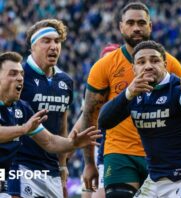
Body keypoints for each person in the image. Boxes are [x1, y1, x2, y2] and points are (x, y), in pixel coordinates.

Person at [79, 2, 181, 197]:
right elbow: (89, 116)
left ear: (150, 26)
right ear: (121, 26)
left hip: (160, 154)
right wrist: (89, 164)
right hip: (120, 153)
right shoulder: (104, 66)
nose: (136, 28)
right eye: (130, 23)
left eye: (141, 23)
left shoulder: (171, 64)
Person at [98, 40, 181, 197]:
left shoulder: (177, 88)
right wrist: (128, 93)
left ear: (165, 64)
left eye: (155, 60)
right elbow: (104, 122)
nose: (148, 66)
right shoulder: (135, 94)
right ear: (133, 69)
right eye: (141, 62)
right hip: (155, 180)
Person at [0, 51, 101, 197]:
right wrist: (23, 129)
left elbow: (49, 141)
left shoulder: (22, 108)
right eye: (13, 74)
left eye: (21, 74)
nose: (20, 78)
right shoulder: (23, 122)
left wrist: (73, 143)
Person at [8, 19, 72, 198]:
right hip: (20, 165)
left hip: (51, 168)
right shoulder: (18, 75)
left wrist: (63, 165)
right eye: (47, 41)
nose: (53, 46)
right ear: (32, 46)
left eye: (57, 41)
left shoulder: (65, 81)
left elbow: (62, 125)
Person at [80, 43, 120, 198]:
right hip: (95, 145)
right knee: (88, 191)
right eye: (105, 60)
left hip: (115, 146)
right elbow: (84, 117)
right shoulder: (95, 86)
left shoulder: (125, 86)